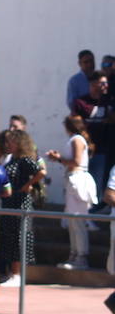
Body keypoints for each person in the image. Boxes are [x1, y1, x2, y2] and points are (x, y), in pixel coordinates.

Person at [45, 115, 98, 270]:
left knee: (77, 221)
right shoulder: (77, 139)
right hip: (73, 180)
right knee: (73, 221)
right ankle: (75, 255)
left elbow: (76, 161)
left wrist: (58, 158)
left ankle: (81, 257)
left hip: (77, 181)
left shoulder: (77, 140)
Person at [0, 129, 43, 285]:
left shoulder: (24, 160)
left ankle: (17, 275)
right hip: (9, 203)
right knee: (8, 237)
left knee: (17, 237)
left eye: (10, 141)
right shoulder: (12, 159)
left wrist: (27, 186)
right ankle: (11, 273)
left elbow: (40, 172)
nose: (7, 144)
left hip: (20, 204)